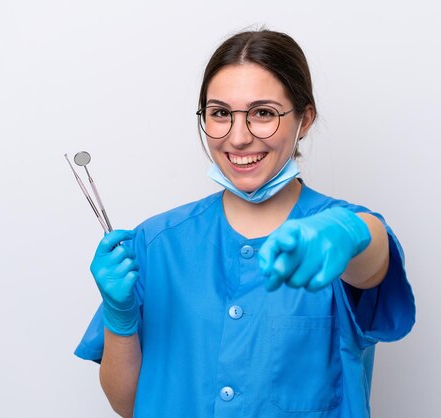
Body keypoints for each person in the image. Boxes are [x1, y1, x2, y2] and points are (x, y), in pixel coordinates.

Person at [75, 29, 415, 418]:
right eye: (220, 113)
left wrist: (348, 232)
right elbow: (128, 404)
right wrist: (119, 316)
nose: (238, 137)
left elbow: (372, 255)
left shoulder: (333, 234)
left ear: (304, 120)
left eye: (264, 113)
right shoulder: (156, 243)